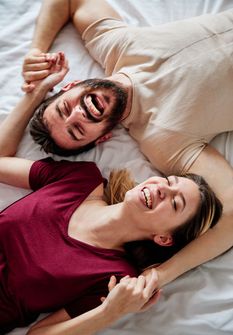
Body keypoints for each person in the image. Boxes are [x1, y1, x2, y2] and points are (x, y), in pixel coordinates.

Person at [0, 55, 222, 335]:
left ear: (164, 238)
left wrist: (109, 313)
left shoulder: (116, 279)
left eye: (176, 202)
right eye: (168, 182)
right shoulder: (81, 179)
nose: (161, 189)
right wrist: (41, 90)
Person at [21, 0, 233, 290]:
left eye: (64, 108)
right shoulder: (163, 141)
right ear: (103, 137)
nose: (78, 114)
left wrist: (36, 51)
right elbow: (230, 212)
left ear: (71, 86)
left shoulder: (116, 44)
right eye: (78, 130)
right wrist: (162, 275)